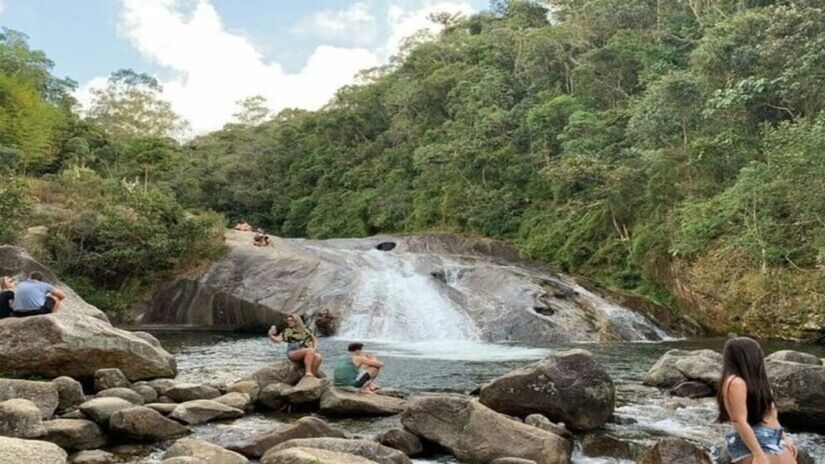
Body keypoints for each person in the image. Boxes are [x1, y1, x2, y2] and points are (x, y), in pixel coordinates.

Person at [717, 337, 798, 464]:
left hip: (772, 437)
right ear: (748, 356)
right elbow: (739, 421)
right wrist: (758, 454)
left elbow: (771, 414)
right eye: (758, 351)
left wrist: (785, 437)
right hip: (754, 440)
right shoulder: (735, 382)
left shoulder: (757, 381)